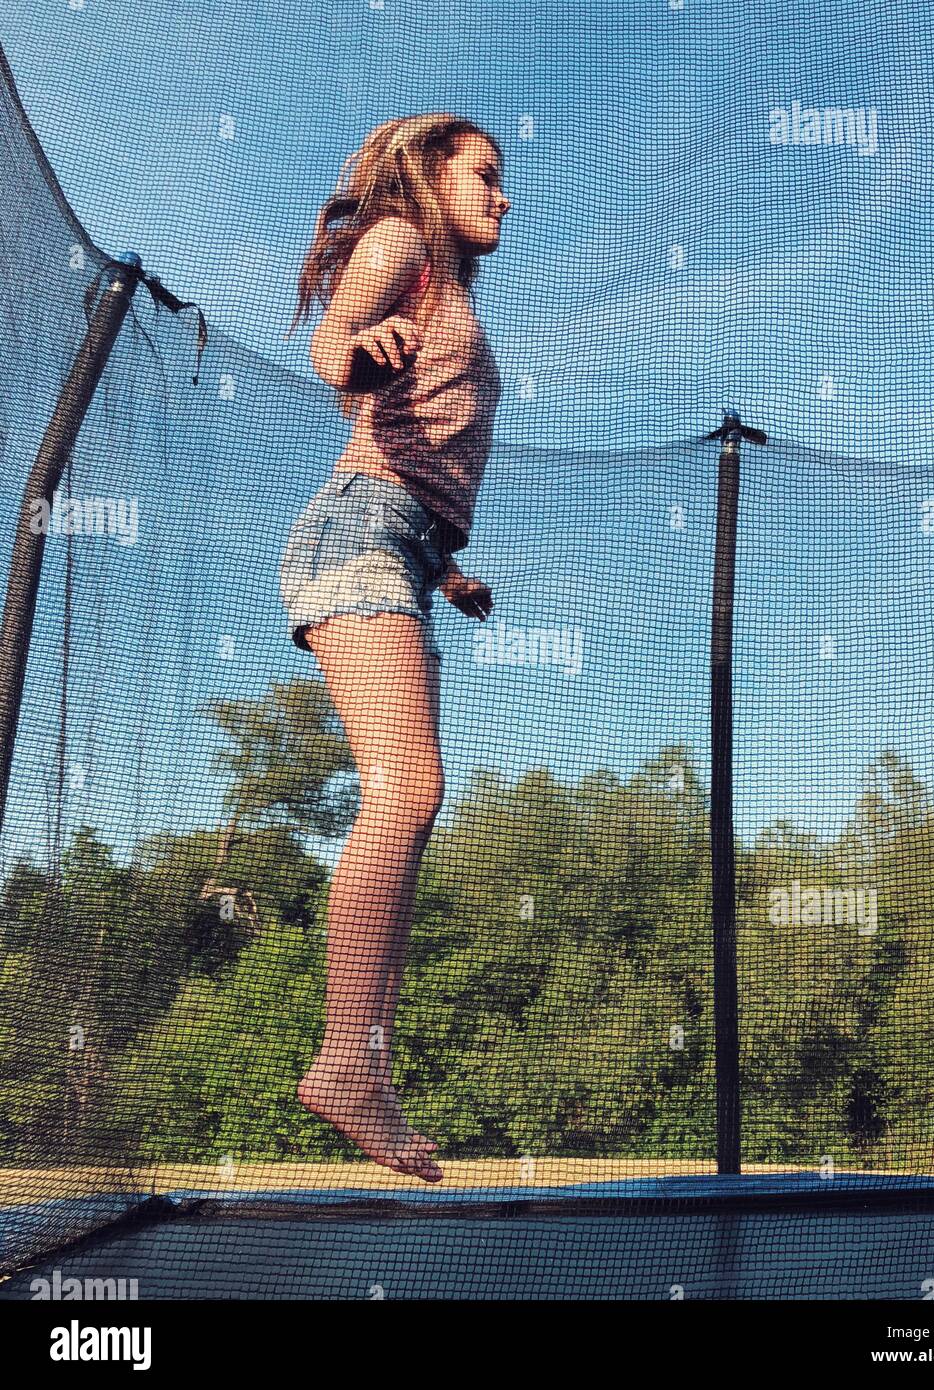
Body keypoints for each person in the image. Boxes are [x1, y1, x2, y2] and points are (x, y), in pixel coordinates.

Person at [280, 115, 509, 1181]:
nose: (505, 198)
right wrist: (355, 348)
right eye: (488, 178)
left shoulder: (455, 292)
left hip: (399, 542)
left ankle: (357, 1061)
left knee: (414, 793)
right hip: (357, 526)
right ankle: (349, 1065)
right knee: (407, 789)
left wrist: (446, 567)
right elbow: (333, 344)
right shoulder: (402, 244)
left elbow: (423, 464)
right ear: (431, 173)